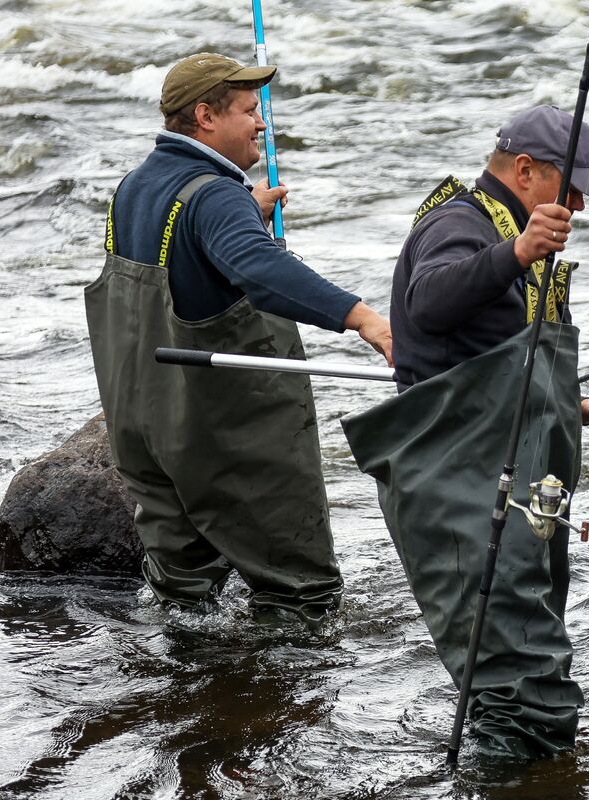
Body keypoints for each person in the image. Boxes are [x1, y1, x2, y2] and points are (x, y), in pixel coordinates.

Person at [342, 105, 589, 757]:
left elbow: (499, 363)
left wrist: (578, 407)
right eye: (574, 187)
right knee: (517, 684)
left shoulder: (510, 232)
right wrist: (518, 250)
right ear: (526, 170)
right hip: (458, 483)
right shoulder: (460, 224)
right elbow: (431, 300)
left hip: (512, 474)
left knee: (532, 656)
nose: (582, 206)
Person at [85, 52, 393, 622]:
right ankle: (279, 706)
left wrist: (243, 213)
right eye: (250, 111)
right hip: (224, 437)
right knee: (302, 598)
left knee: (183, 596)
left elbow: (186, 258)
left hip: (145, 432)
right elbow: (261, 272)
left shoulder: (135, 186)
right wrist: (364, 319)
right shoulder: (215, 196)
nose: (262, 124)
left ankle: (189, 693)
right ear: (205, 115)